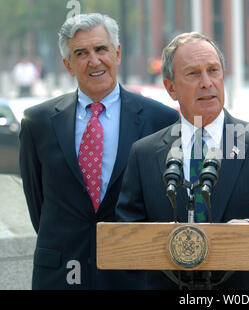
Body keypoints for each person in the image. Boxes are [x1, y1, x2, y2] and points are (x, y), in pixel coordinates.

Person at [115, 32, 249, 290]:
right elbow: (126, 234)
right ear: (170, 87)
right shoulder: (144, 153)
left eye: (213, 70)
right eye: (193, 74)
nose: (206, 82)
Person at [19, 13, 179, 290]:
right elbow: (38, 205)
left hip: (133, 275)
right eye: (81, 53)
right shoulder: (38, 122)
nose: (93, 61)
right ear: (67, 64)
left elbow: (164, 203)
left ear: (117, 53)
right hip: (59, 275)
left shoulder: (161, 121)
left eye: (101, 49)